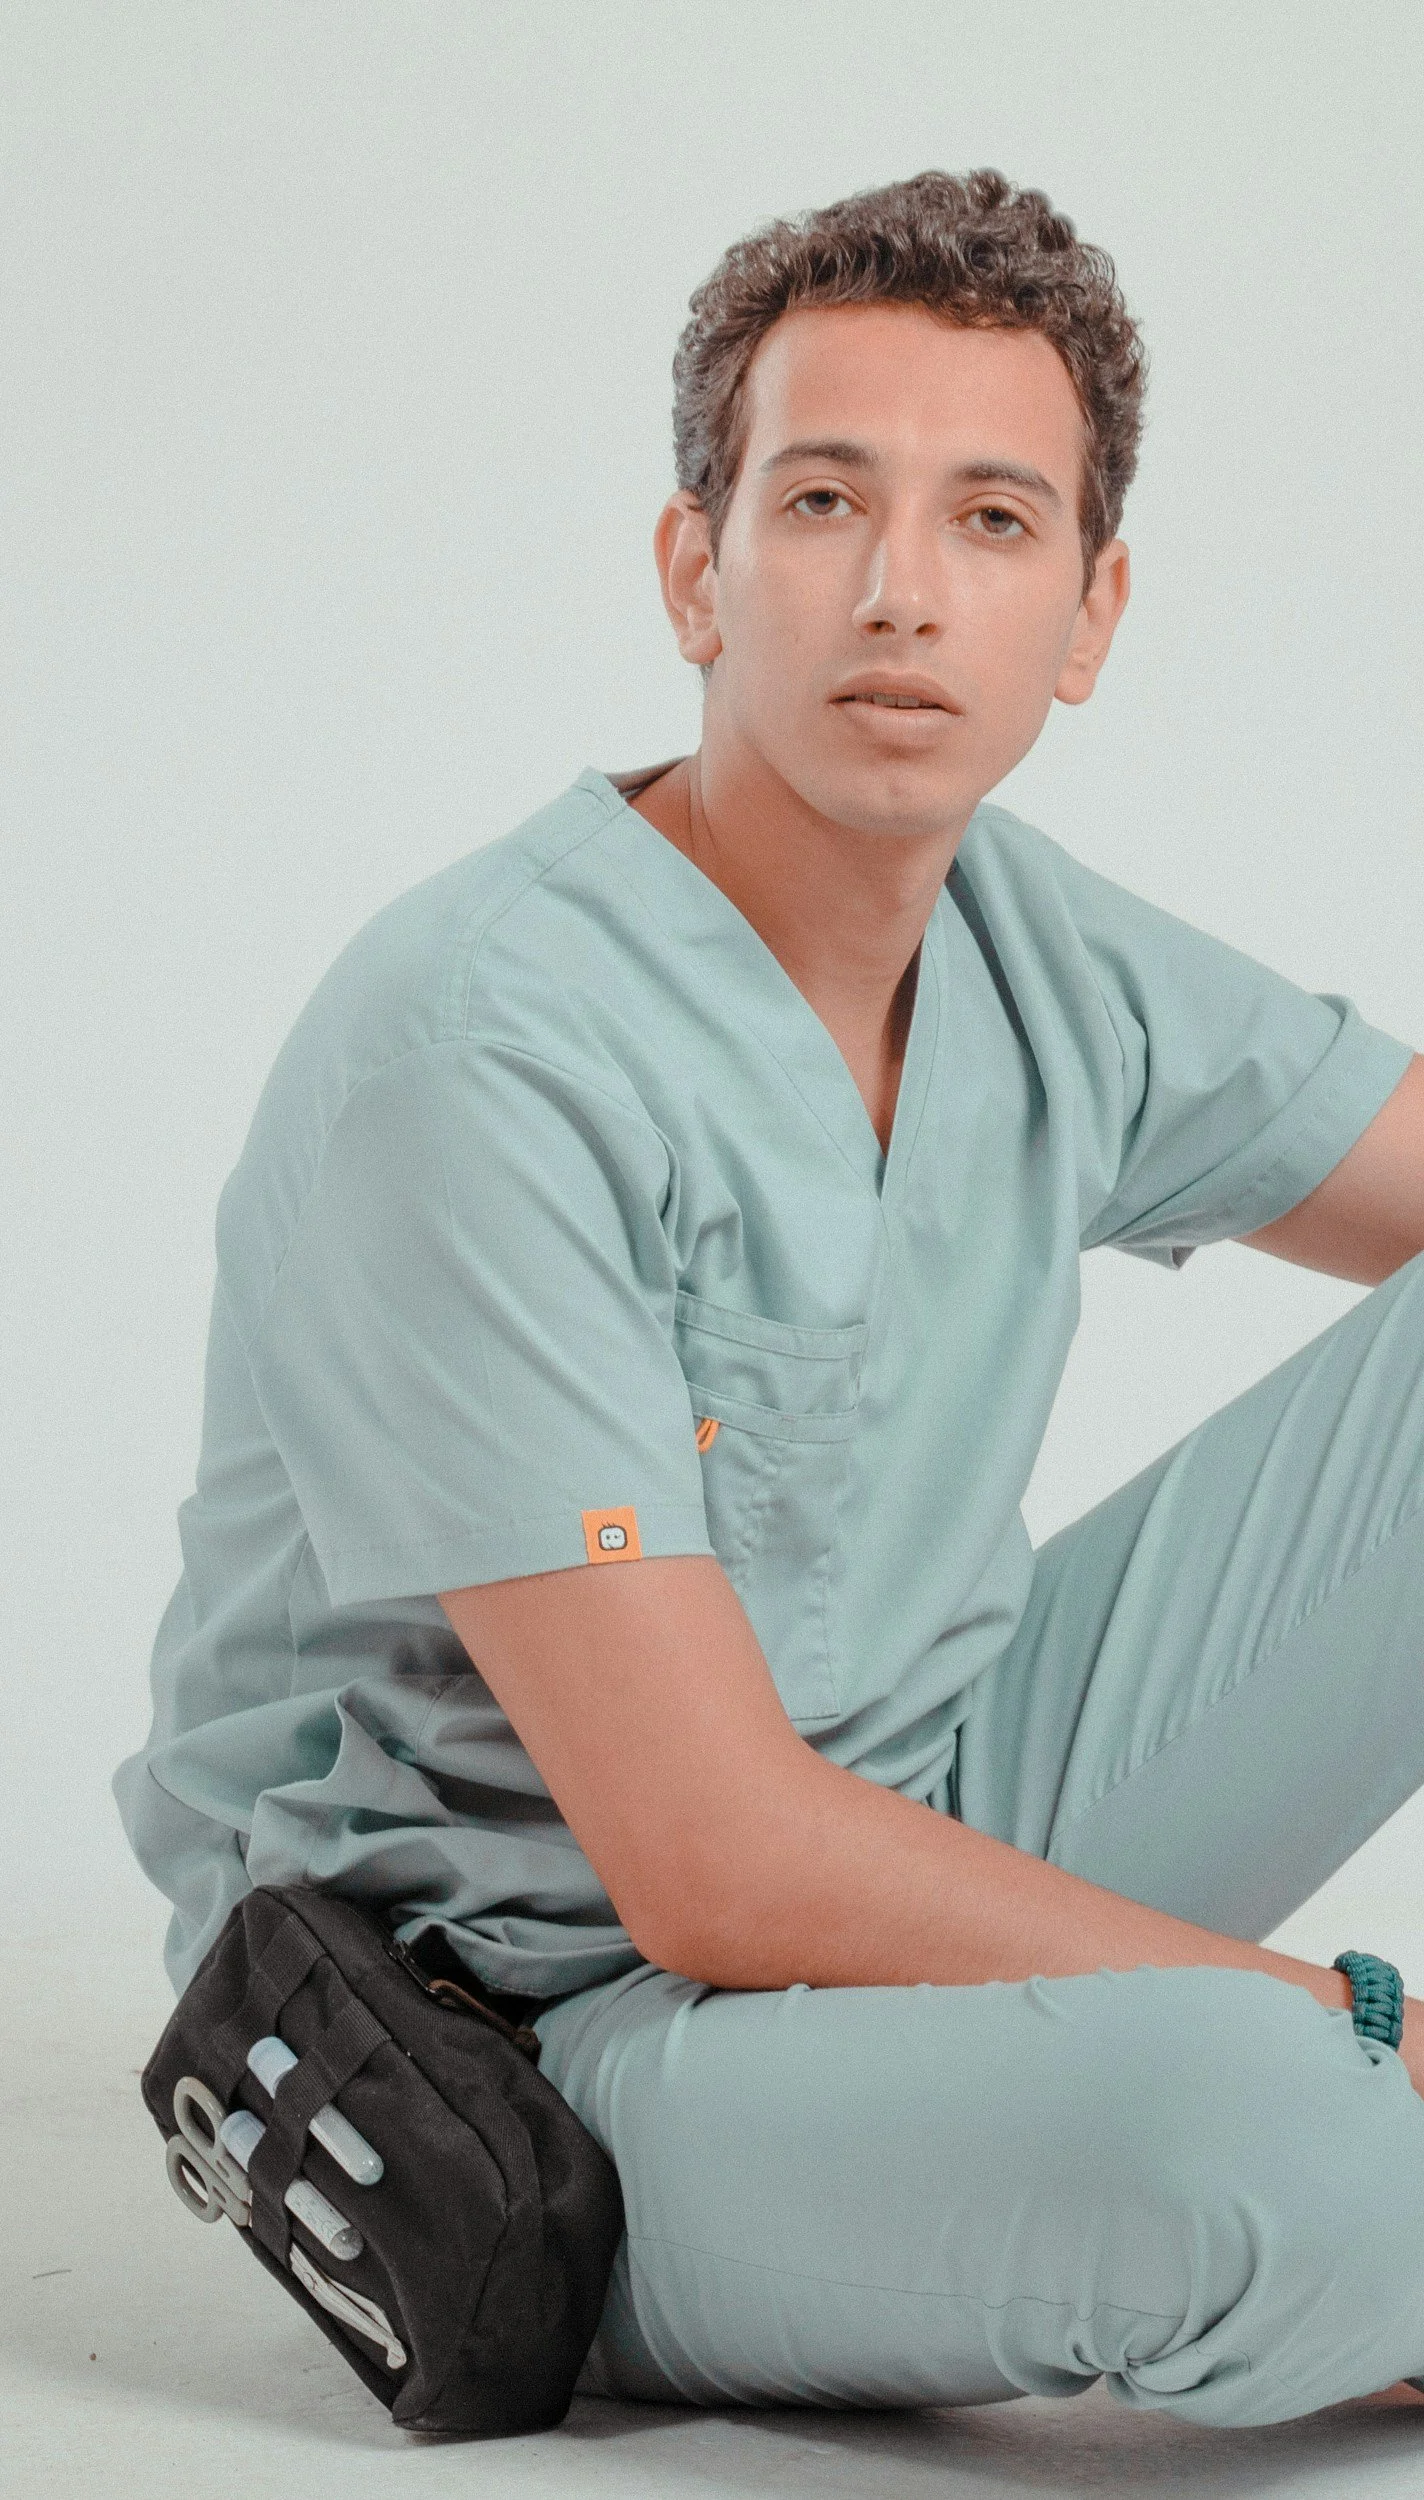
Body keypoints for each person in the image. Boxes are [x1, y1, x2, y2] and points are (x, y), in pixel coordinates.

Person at [116, 169, 1424, 2428]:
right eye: (824, 498)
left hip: (930, 1821)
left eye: (993, 520)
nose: (903, 587)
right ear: (694, 569)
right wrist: (1346, 2025)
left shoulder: (1031, 948)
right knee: (1272, 2138)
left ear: (1089, 610)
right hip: (545, 2043)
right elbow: (709, 1860)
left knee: (1297, 2104)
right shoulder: (483, 1049)